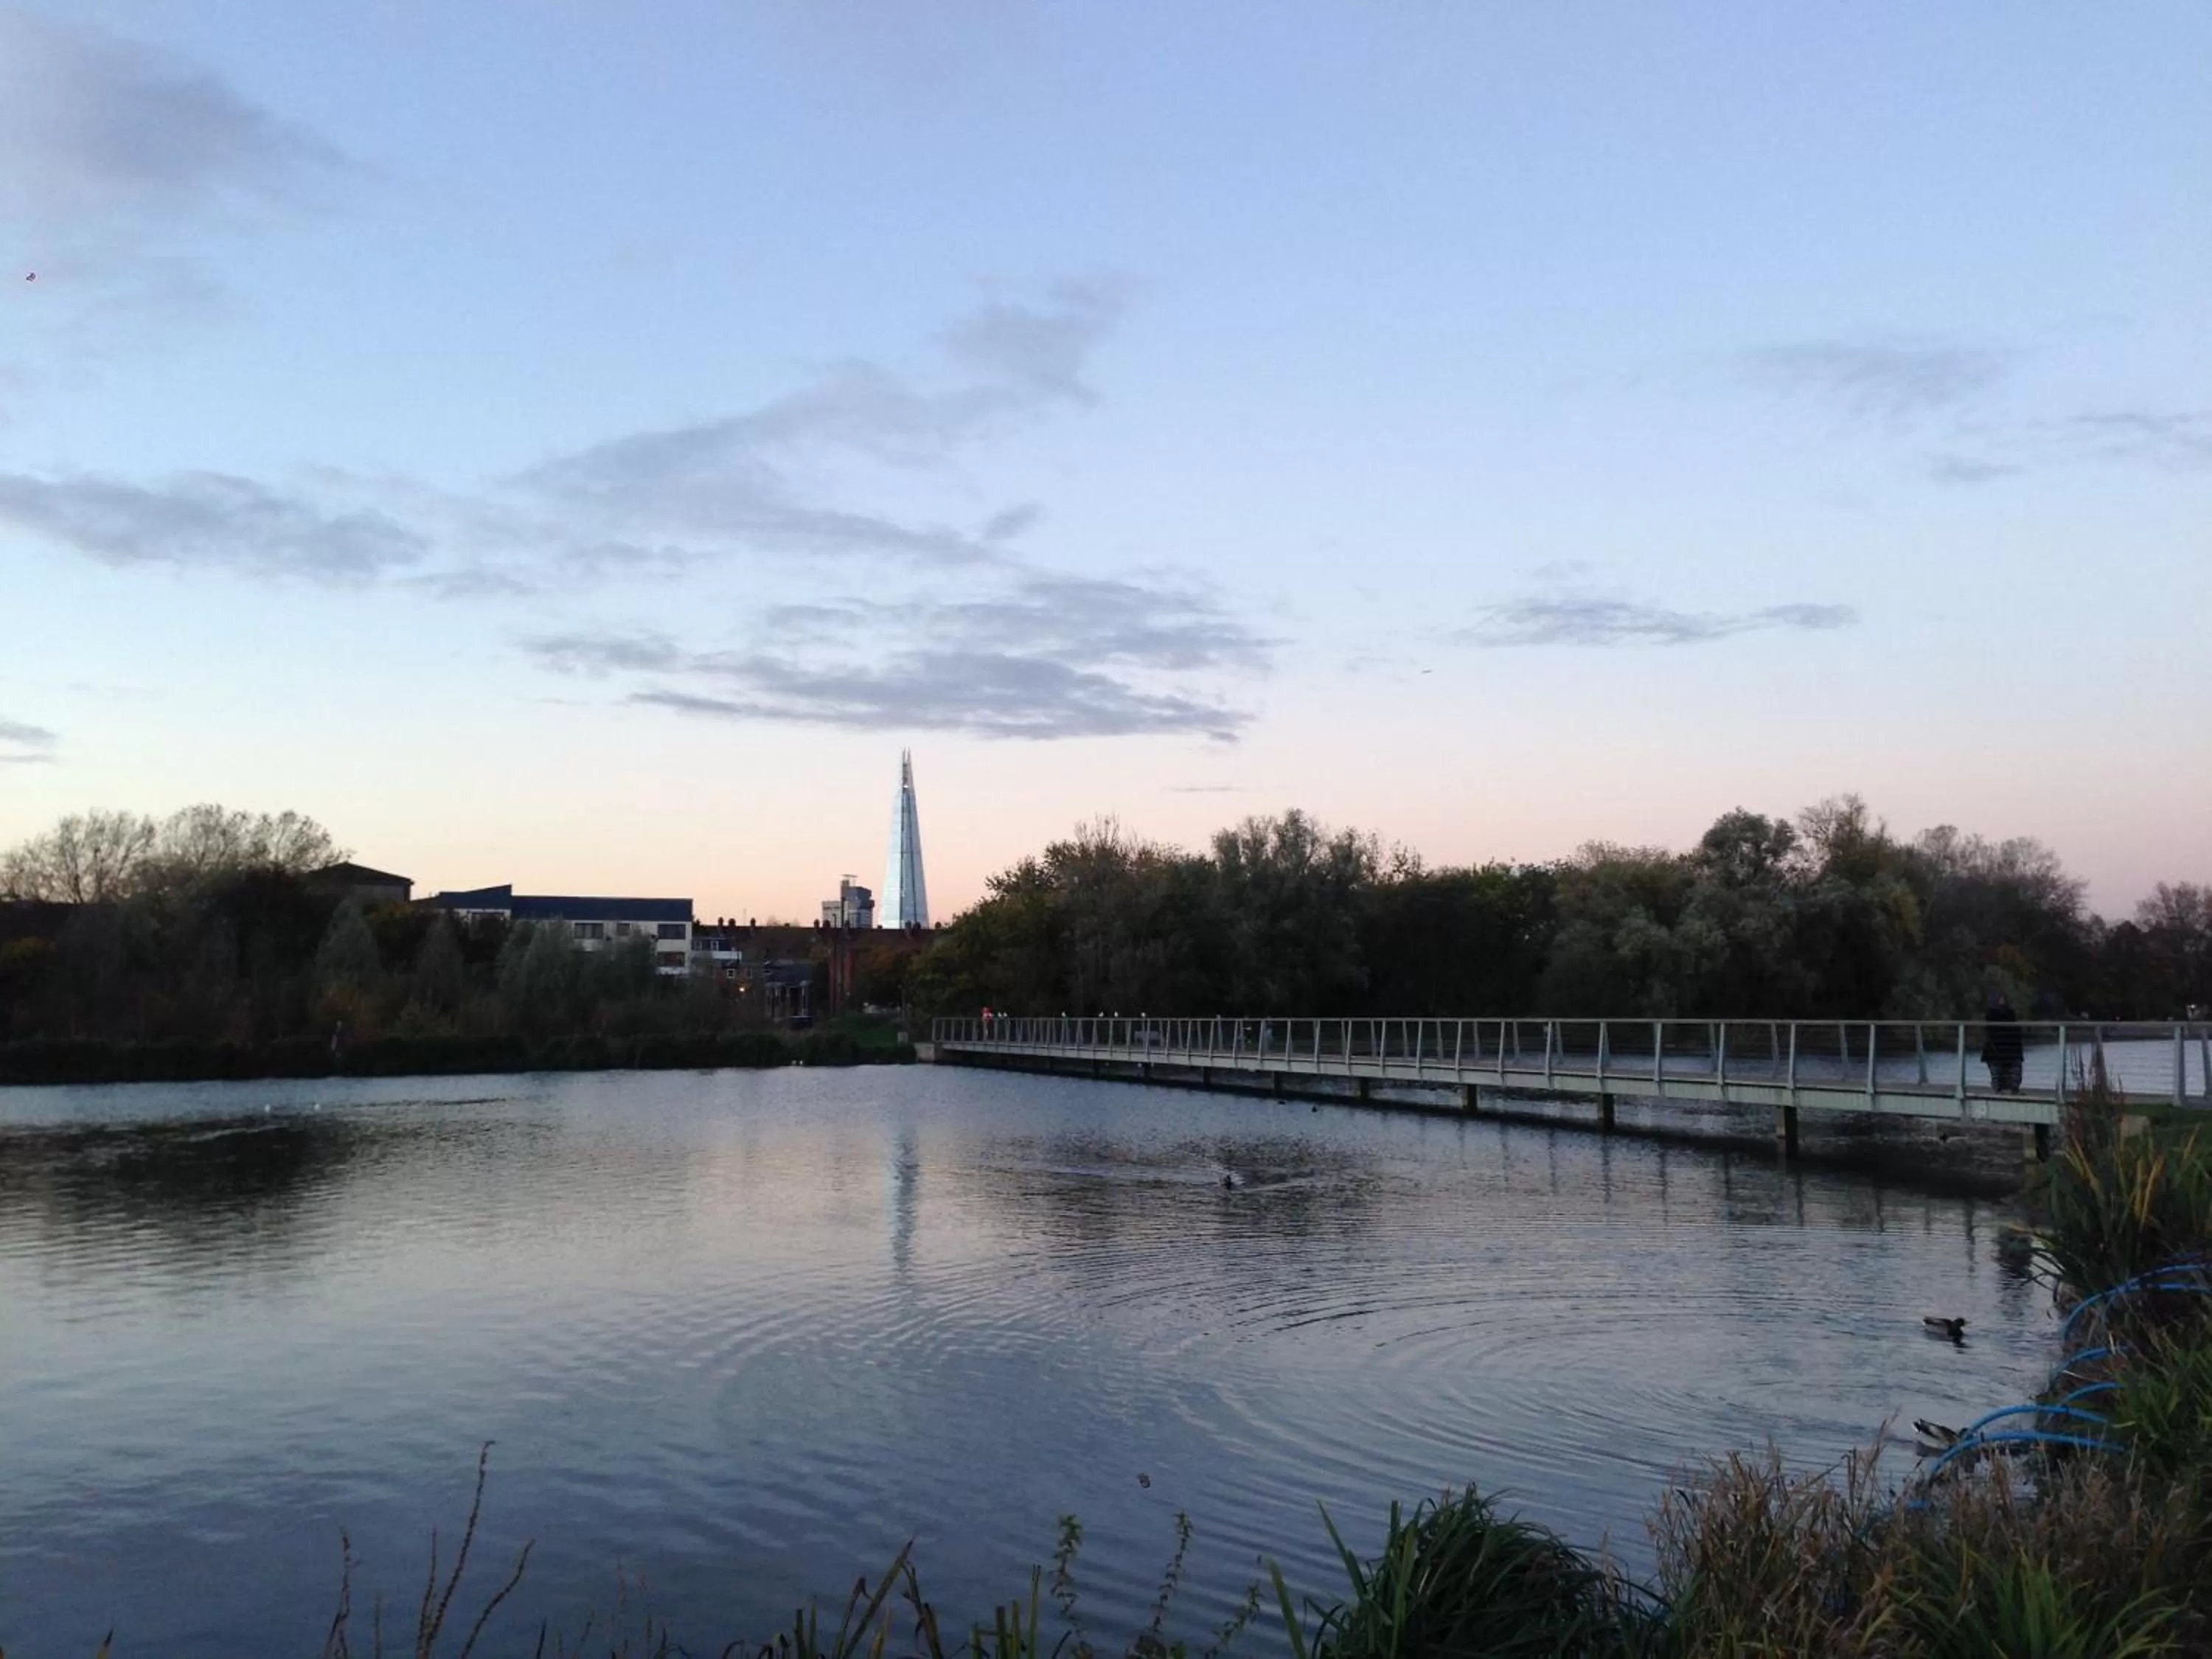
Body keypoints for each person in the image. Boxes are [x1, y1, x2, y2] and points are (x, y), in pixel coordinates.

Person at [1980, 995, 2025, 1093]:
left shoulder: (2010, 1014)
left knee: (2012, 1074)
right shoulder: (1992, 1016)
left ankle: (2010, 1090)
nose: (2002, 1001)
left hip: (2009, 1049)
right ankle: (2001, 1090)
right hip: (1998, 1050)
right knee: (1999, 1074)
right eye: (2000, 999)